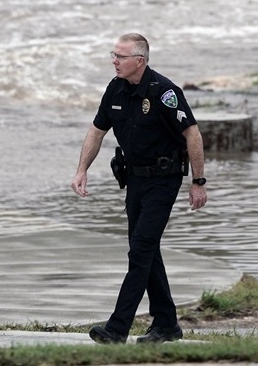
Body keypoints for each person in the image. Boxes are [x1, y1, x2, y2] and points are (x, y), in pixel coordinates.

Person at [71, 33, 208, 345]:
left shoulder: (165, 92)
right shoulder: (115, 87)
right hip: (134, 180)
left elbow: (193, 134)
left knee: (141, 249)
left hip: (164, 179)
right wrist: (82, 170)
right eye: (113, 54)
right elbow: (97, 130)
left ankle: (117, 328)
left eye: (120, 56)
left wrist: (198, 182)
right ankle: (167, 324)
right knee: (147, 250)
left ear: (140, 61)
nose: (114, 61)